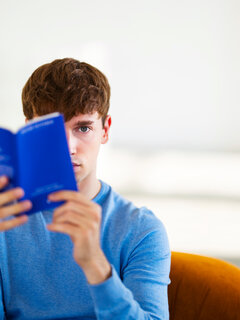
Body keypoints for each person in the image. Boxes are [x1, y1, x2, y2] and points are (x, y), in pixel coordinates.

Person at [0, 58, 171, 319]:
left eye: (83, 127)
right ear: (29, 129)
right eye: (51, 130)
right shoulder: (5, 220)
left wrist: (95, 265)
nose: (68, 147)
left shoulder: (141, 230)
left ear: (105, 129)